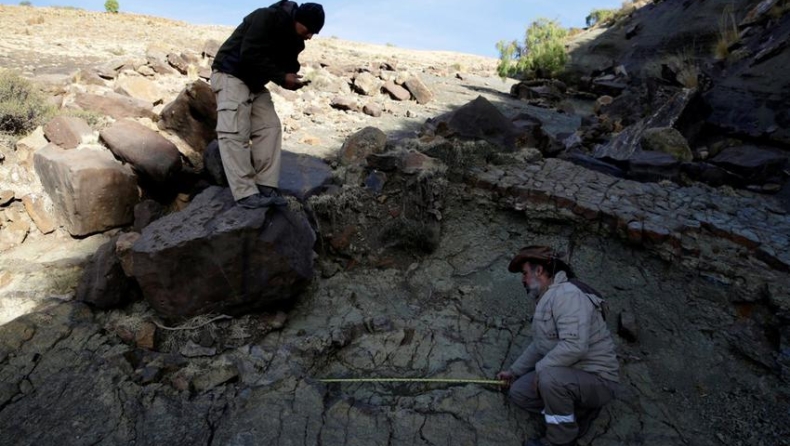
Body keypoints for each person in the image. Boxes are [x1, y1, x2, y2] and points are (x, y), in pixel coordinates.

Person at [497, 246, 620, 446]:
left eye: (525, 273)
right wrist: (514, 372)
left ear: (539, 271)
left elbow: (575, 346)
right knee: (518, 392)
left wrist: (540, 370)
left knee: (548, 378)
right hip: (568, 374)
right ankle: (570, 409)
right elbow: (539, 346)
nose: (523, 279)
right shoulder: (547, 299)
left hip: (598, 379)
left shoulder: (567, 295)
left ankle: (561, 439)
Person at [210, 1, 324, 209]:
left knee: (270, 126)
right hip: (231, 74)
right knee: (235, 131)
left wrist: (291, 79)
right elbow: (249, 54)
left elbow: (285, 66)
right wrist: (281, 77)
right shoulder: (265, 17)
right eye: (309, 30)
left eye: (313, 33)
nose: (310, 36)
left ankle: (266, 185)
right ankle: (245, 193)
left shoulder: (295, 39)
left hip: (254, 82)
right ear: (299, 20)